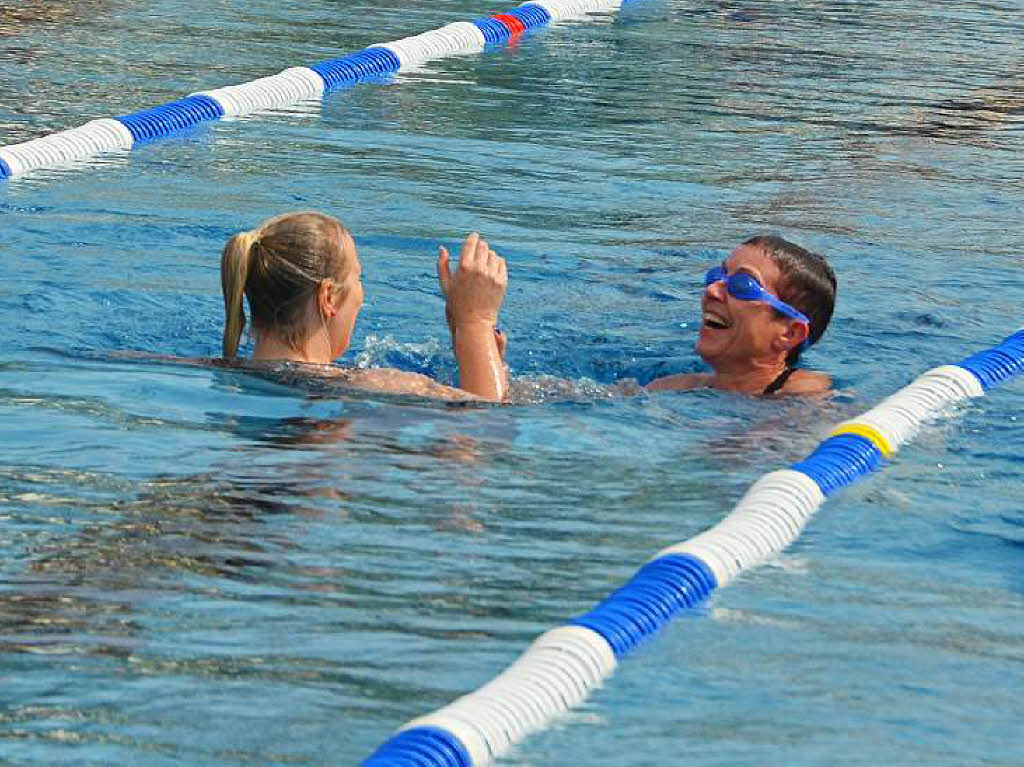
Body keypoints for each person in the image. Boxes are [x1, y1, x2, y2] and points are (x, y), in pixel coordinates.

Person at [220, 211, 508, 401]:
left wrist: (476, 353)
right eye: (358, 277)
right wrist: (475, 324)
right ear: (328, 297)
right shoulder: (370, 385)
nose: (362, 294)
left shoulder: (207, 370)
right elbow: (485, 427)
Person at [647, 234, 836, 396]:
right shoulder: (676, 386)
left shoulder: (805, 392)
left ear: (789, 334)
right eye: (717, 276)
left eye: (743, 285)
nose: (712, 290)